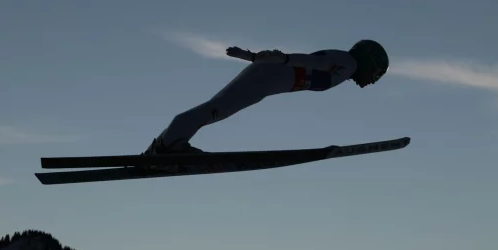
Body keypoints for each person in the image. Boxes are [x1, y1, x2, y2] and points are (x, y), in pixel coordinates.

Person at [142, 39, 389, 155]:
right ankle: (167, 146)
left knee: (216, 110)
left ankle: (160, 148)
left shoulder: (346, 67)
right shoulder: (348, 63)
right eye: (377, 73)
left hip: (268, 77)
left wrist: (255, 58)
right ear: (370, 60)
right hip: (269, 75)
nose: (373, 79)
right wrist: (276, 58)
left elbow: (313, 62)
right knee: (215, 110)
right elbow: (314, 61)